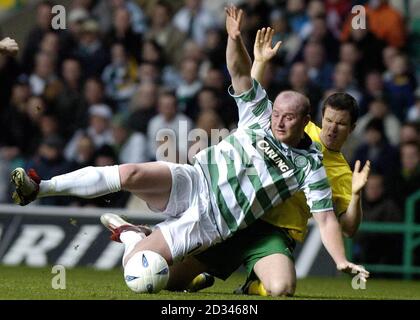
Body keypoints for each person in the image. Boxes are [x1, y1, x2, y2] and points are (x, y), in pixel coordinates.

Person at [10, 6, 368, 293]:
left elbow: (324, 219)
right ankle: (39, 187)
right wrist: (234, 38)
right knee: (131, 173)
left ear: (304, 119)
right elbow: (239, 72)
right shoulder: (260, 112)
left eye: (289, 118)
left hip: (212, 221)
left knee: (142, 278)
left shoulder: (310, 165)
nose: (279, 122)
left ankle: (134, 235)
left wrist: (339, 260)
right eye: (277, 114)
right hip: (194, 180)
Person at [170, 26, 371, 296]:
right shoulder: (299, 129)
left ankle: (253, 285)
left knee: (282, 289)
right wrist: (261, 62)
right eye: (330, 120)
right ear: (318, 118)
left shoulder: (342, 172)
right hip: (241, 213)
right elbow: (251, 104)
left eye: (341, 124)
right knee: (168, 284)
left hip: (277, 232)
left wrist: (356, 195)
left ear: (352, 128)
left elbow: (348, 228)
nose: (333, 128)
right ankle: (196, 274)